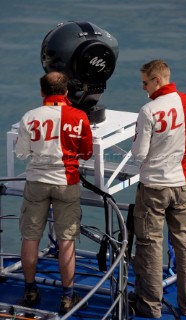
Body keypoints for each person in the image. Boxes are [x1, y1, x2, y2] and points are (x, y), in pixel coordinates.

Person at [130, 60, 186, 318]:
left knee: (150, 244)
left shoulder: (149, 110)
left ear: (157, 80)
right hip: (182, 183)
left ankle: (149, 306)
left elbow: (140, 153)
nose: (143, 88)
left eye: (145, 82)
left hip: (154, 186)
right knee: (183, 243)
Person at [15, 71, 93, 314]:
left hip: (37, 182)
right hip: (66, 181)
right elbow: (87, 153)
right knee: (66, 240)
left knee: (30, 237)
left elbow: (21, 153)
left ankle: (30, 290)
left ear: (42, 92)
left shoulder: (30, 117)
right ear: (66, 91)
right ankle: (68, 297)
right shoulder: (79, 116)